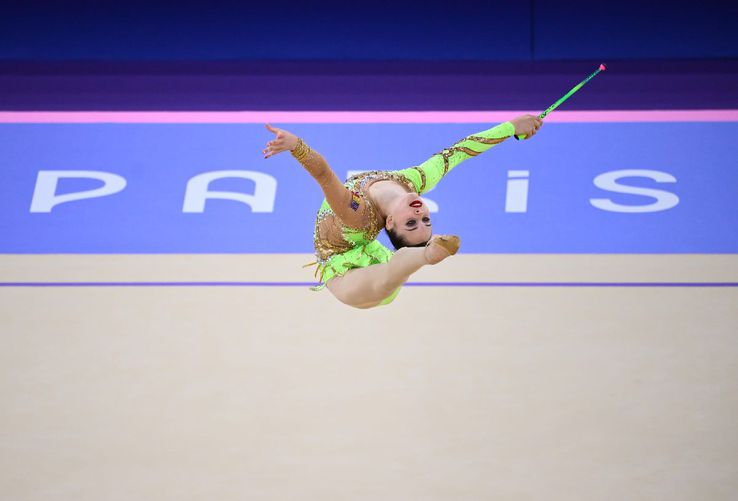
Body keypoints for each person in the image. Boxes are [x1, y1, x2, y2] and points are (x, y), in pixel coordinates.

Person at [263, 115, 543, 309]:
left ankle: (425, 255)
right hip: (365, 253)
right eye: (425, 220)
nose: (420, 212)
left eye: (412, 222)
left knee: (381, 285)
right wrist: (511, 127)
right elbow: (463, 150)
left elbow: (324, 175)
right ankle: (424, 254)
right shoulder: (417, 180)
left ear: (391, 221)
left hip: (338, 266)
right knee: (383, 286)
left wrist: (295, 146)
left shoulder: (358, 215)